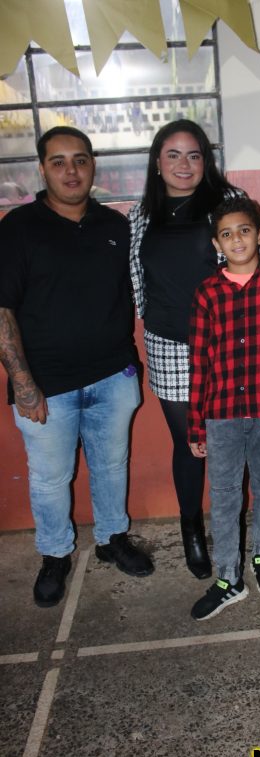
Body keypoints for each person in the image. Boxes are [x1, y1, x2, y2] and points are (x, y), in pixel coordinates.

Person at [0, 126, 153, 608]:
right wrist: (23, 384)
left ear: (93, 166)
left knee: (111, 465)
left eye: (80, 160)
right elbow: (3, 309)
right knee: (49, 478)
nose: (71, 171)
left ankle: (112, 539)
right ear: (41, 169)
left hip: (113, 376)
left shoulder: (114, 225)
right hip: (46, 385)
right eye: (59, 161)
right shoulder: (18, 227)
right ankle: (55, 554)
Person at [129, 120, 240, 580]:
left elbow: (248, 269)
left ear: (205, 161)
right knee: (189, 445)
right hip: (168, 346)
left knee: (228, 442)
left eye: (193, 155)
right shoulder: (142, 214)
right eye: (173, 155)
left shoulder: (228, 203)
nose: (184, 164)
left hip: (226, 344)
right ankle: (191, 529)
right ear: (157, 162)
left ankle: (232, 531)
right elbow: (136, 277)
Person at [188, 196, 260, 620]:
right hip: (222, 415)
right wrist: (196, 425)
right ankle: (229, 577)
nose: (237, 240)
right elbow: (199, 362)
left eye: (244, 231)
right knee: (225, 497)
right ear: (217, 243)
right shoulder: (207, 293)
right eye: (227, 234)